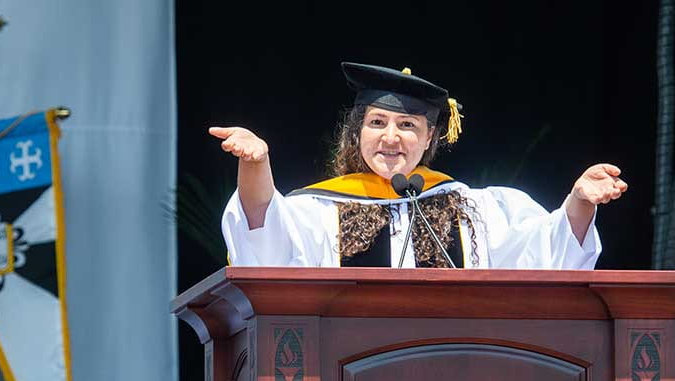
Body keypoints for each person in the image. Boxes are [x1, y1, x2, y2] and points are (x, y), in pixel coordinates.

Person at [212, 62, 628, 269]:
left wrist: (578, 203)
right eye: (377, 123)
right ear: (357, 132)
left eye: (407, 125)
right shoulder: (319, 212)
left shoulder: (472, 209)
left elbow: (545, 254)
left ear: (430, 137)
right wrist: (256, 166)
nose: (391, 137)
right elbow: (264, 245)